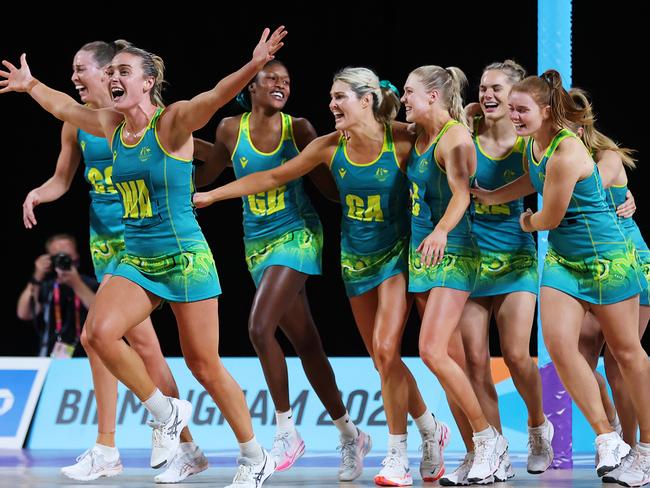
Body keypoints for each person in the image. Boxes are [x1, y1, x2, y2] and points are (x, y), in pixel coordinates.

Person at [1, 26, 286, 488]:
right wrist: (31, 85)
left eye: (123, 71)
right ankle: (165, 410)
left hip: (183, 258)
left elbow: (214, 97)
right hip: (135, 259)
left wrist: (254, 65)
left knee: (204, 365)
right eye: (110, 71)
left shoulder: (171, 123)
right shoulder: (111, 126)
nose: (113, 77)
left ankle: (255, 455)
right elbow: (66, 108)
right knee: (97, 333)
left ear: (147, 82)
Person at [193, 66, 449, 487]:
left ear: (366, 100)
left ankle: (394, 452)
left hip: (391, 256)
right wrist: (212, 193)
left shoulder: (401, 138)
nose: (330, 105)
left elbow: (445, 137)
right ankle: (422, 429)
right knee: (374, 356)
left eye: (339, 98)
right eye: (330, 97)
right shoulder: (328, 146)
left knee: (381, 347)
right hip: (351, 259)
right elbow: (272, 175)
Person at [21, 40, 206, 483]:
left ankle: (145, 443)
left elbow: (190, 155)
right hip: (103, 243)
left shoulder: (145, 116)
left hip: (142, 243)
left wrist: (199, 195)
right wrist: (38, 193)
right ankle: (159, 445)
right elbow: (62, 179)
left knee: (122, 342)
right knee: (109, 342)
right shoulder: (79, 125)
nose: (74, 76)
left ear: (107, 73)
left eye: (80, 68)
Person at [472, 69, 649, 485]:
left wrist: (528, 222)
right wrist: (492, 196)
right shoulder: (535, 145)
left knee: (625, 354)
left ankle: (644, 451)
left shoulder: (569, 152)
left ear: (547, 111)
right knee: (559, 345)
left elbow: (549, 216)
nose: (513, 116)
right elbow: (530, 180)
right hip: (563, 262)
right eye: (511, 109)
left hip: (606, 259)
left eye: (521, 109)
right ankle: (608, 438)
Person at [196, 59, 370, 480]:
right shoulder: (229, 130)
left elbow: (330, 192)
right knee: (308, 343)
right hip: (255, 244)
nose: (281, 85)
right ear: (250, 87)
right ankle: (351, 434)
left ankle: (286, 431)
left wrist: (346, 155)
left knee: (259, 327)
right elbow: (211, 172)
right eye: (272, 78)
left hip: (298, 235)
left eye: (287, 81)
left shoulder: (300, 129)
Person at [400, 65, 509, 484]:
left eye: (410, 92)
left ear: (432, 96)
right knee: (451, 363)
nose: (406, 99)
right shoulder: (419, 135)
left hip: (454, 252)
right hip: (423, 257)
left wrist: (442, 231)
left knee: (430, 351)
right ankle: (473, 452)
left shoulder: (456, 138)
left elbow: (462, 193)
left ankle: (489, 441)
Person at [445, 60, 551, 485]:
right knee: (474, 361)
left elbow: (585, 161)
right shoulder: (465, 133)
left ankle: (538, 428)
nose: (488, 95)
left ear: (516, 97)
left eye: (497, 89)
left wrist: (622, 195)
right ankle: (494, 451)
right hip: (471, 261)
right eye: (483, 88)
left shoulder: (532, 144)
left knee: (514, 354)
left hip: (517, 260)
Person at [568, 87, 650, 484]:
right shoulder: (550, 156)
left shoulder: (606, 158)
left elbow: (580, 192)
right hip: (588, 265)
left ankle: (639, 451)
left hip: (629, 261)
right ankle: (614, 431)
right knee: (577, 359)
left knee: (620, 359)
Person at [17, 233, 96, 357]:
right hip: (50, 357)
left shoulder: (91, 284)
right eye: (58, 256)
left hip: (87, 358)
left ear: (77, 257)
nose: (63, 260)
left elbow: (100, 313)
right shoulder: (46, 287)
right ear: (50, 260)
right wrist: (37, 275)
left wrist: (76, 284)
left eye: (67, 256)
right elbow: (24, 313)